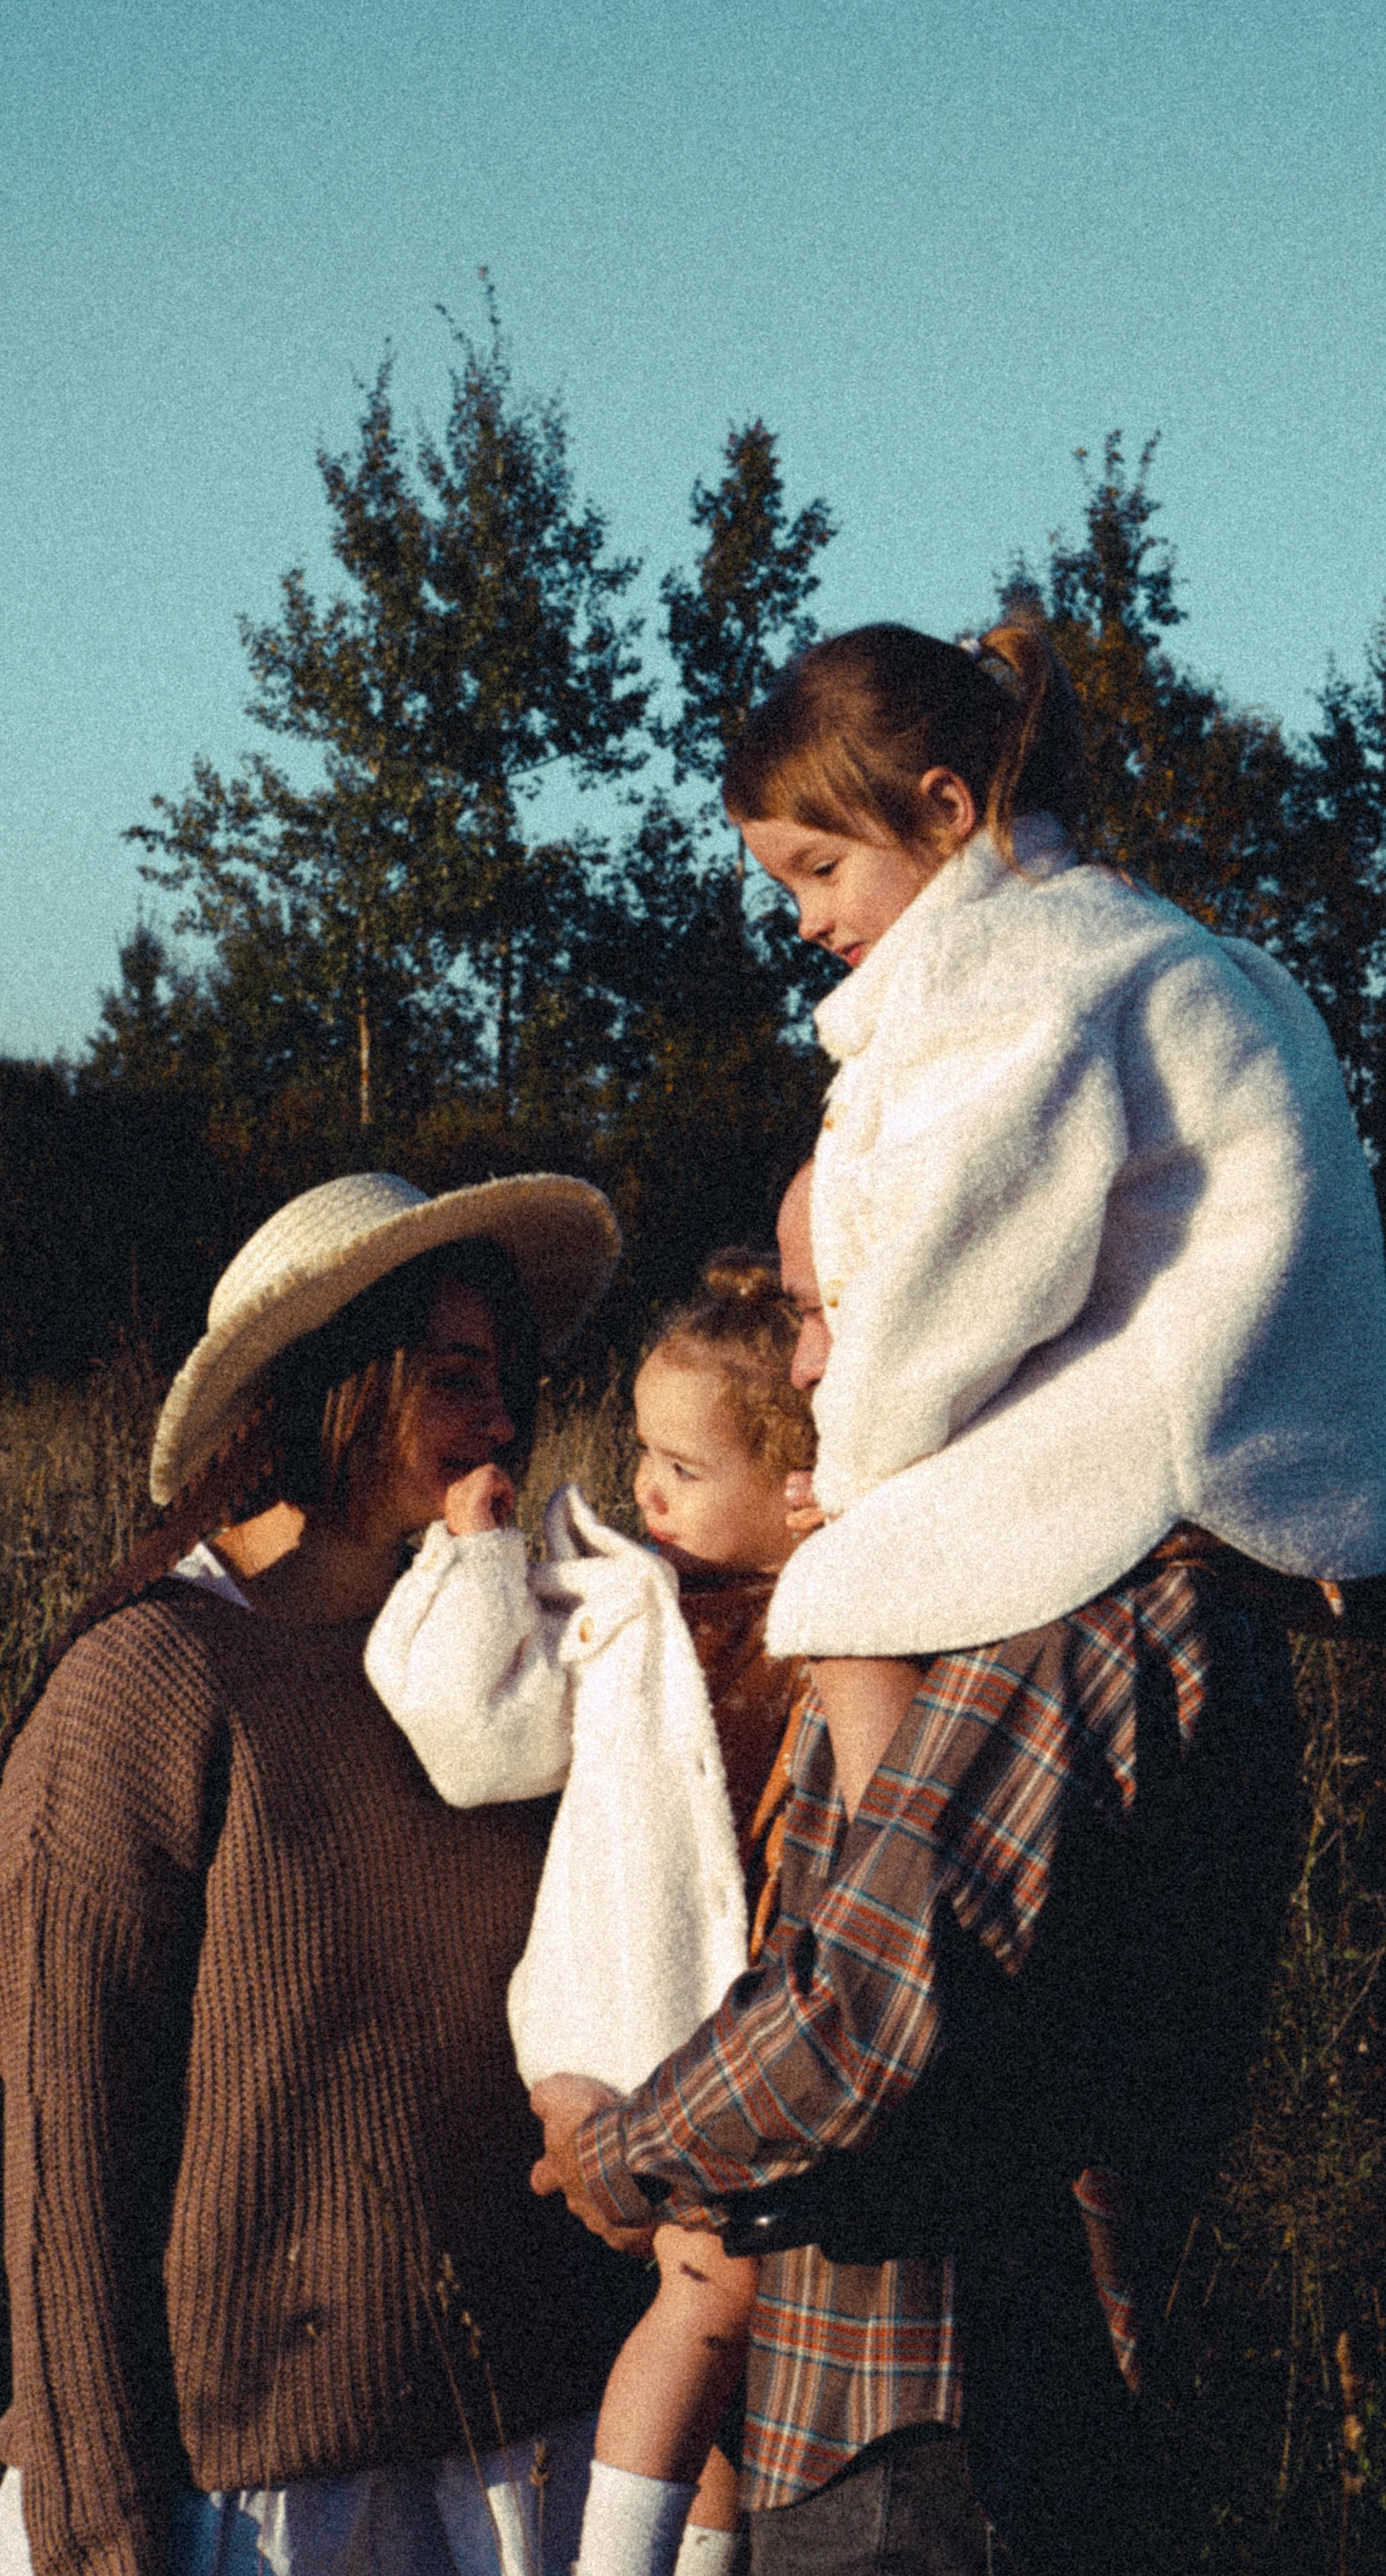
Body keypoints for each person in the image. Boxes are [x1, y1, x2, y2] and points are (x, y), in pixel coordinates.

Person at [529, 619, 1386, 2575]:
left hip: (946, 2425)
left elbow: (867, 2000)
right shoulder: (1088, 1587)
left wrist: (622, 2150)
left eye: (829, 1315)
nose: (821, 1363)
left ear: (941, 814)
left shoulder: (1082, 1614)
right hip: (922, 2413)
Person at [0, 1169, 644, 2576]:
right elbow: (65, 2154)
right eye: (454, 1376)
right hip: (257, 2500)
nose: (504, 1420)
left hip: (519, 2461)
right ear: (336, 1380)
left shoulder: (503, 1666)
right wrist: (96, 2533)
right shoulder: (149, 1686)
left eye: (507, 1375)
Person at [366, 1254, 820, 2576]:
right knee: (710, 2292)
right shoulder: (618, 1589)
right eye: (639, 1451)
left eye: (683, 1467)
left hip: (772, 2036)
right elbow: (473, 1733)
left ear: (793, 1488)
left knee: (761, 2329)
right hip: (634, 2015)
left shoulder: (841, 1603)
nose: (643, 1489)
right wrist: (481, 1551)